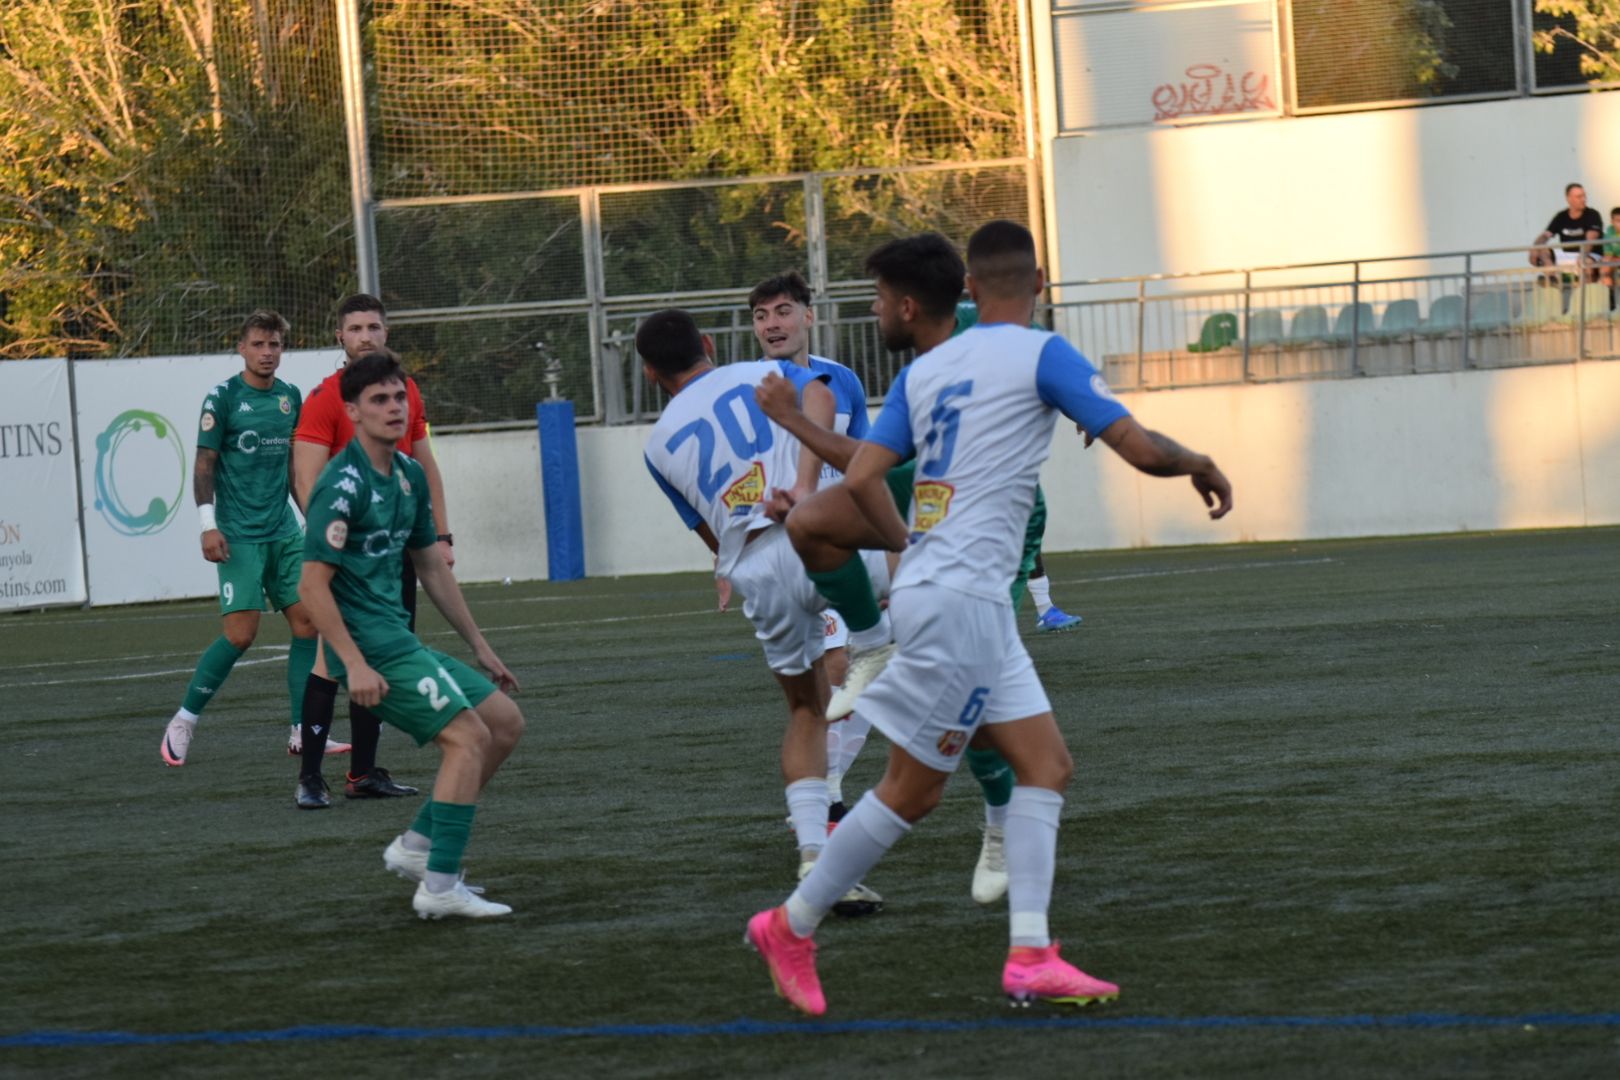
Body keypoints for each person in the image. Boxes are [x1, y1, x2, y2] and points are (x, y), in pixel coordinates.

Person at [745, 221, 1233, 1017]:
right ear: (1037, 286)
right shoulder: (1043, 353)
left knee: (1047, 767)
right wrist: (1201, 463)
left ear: (971, 289)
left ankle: (1032, 953)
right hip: (964, 597)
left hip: (959, 593)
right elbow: (1141, 450)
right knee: (912, 789)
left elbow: (863, 473)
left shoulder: (928, 371)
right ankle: (789, 925)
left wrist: (916, 546)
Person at [638, 308, 885, 915]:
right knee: (922, 555)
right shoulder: (761, 370)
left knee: (804, 709)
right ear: (709, 344)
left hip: (755, 567)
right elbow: (819, 397)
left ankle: (814, 856)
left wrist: (729, 570)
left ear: (649, 374)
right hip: (814, 531)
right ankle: (886, 645)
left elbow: (704, 525)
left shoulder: (654, 444)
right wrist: (803, 485)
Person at [298, 352, 524, 919]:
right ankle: (440, 885)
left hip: (399, 639)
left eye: (399, 397)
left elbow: (430, 567)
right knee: (467, 737)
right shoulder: (341, 485)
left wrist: (479, 644)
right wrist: (352, 663)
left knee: (504, 723)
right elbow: (311, 586)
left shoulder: (408, 475)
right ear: (352, 411)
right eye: (379, 399)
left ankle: (418, 847)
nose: (394, 407)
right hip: (372, 649)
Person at [161, 311, 348, 767]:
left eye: (276, 345)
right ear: (241, 348)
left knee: (308, 623)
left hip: (284, 531)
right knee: (241, 636)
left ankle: (302, 730)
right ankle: (185, 719)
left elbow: (293, 470)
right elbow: (204, 465)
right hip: (239, 536)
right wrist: (208, 524)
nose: (268, 352)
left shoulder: (290, 398)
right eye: (259, 344)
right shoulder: (222, 398)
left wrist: (314, 523)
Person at [290, 294, 455, 807]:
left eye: (374, 327)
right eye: (355, 328)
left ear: (387, 333)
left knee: (378, 656)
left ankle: (362, 774)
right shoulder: (325, 398)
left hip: (397, 550)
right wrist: (334, 544)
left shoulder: (404, 393)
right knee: (328, 657)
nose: (365, 336)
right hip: (348, 555)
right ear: (339, 336)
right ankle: (310, 778)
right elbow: (306, 479)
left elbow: (424, 464)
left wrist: (441, 537)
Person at [748, 270, 877, 816]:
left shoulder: (841, 380)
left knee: (873, 665)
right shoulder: (748, 389)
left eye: (781, 311)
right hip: (791, 551)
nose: (771, 324)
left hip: (851, 540)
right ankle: (822, 788)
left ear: (808, 316)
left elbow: (863, 458)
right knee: (839, 666)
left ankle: (827, 787)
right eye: (760, 316)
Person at [1531, 183, 1603, 284]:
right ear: (1569, 199)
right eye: (1579, 197)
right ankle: (1552, 279)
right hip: (1568, 255)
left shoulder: (1592, 214)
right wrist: (1535, 248)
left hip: (1590, 254)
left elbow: (1591, 238)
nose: (1584, 199)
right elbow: (1545, 235)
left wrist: (1583, 254)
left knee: (1585, 262)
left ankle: (1585, 293)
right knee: (1542, 251)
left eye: (1584, 196)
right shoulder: (1561, 216)